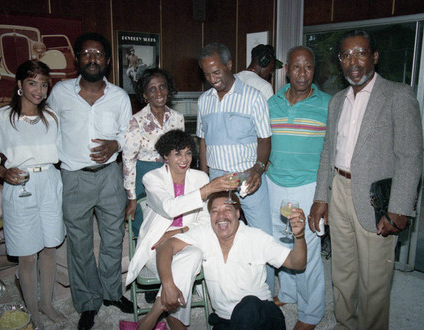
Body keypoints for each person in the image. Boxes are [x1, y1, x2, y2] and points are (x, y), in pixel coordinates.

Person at [308, 30, 422, 329]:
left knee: (374, 278)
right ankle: (345, 324)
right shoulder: (337, 102)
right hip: (339, 191)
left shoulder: (398, 95)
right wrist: (321, 198)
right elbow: (327, 154)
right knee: (342, 271)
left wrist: (399, 207)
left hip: (376, 198)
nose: (352, 61)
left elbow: (410, 157)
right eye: (346, 55)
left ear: (374, 57)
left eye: (360, 53)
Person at [47, 32, 132, 330]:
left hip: (110, 177)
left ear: (107, 61)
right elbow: (49, 128)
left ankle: (111, 293)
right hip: (74, 178)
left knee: (112, 239)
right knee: (79, 244)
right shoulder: (59, 93)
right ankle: (86, 303)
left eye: (98, 54)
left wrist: (115, 145)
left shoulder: (119, 97)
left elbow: (128, 133)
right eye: (86, 54)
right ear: (77, 59)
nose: (92, 59)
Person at [0, 60, 66, 329]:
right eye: (32, 83)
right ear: (19, 85)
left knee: (50, 247)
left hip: (50, 181)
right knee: (28, 255)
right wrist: (3, 173)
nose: (39, 90)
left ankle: (46, 303)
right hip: (19, 186)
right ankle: (33, 313)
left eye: (43, 84)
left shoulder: (53, 118)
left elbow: (65, 152)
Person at [125, 130, 237, 329]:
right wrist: (208, 190)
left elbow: (205, 219)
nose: (184, 159)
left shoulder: (200, 177)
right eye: (177, 154)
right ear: (165, 156)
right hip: (156, 248)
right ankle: (175, 319)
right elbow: (169, 207)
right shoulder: (152, 178)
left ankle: (156, 312)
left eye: (187, 153)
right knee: (189, 262)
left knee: (192, 254)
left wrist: (179, 231)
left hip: (188, 241)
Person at [152, 191, 306, 330]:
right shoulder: (205, 233)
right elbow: (166, 246)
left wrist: (299, 236)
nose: (221, 216)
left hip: (261, 316)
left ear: (237, 213)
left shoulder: (256, 237)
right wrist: (168, 283)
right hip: (226, 321)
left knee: (248, 305)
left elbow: (297, 263)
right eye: (215, 211)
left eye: (227, 210)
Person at [196, 43, 275, 292]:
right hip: (218, 179)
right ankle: (226, 291)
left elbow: (265, 139)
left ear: (230, 65)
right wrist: (205, 176)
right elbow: (203, 141)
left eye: (216, 72)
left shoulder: (254, 97)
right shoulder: (204, 101)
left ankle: (265, 295)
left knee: (263, 238)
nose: (212, 79)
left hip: (248, 178)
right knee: (220, 237)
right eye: (207, 74)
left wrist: (258, 169)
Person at [266, 46, 330, 329]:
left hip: (309, 187)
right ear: (286, 70)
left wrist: (324, 195)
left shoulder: (329, 104)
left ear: (314, 70)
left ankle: (311, 313)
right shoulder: (272, 103)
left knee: (310, 251)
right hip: (274, 184)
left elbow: (334, 151)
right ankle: (289, 292)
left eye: (308, 67)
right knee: (281, 243)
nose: (302, 74)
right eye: (296, 67)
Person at [123, 68, 184, 238]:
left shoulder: (177, 118)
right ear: (144, 95)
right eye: (152, 89)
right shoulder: (136, 121)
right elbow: (128, 162)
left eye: (162, 87)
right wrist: (132, 198)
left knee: (170, 228)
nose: (159, 92)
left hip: (171, 177)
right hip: (144, 176)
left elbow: (181, 155)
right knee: (146, 229)